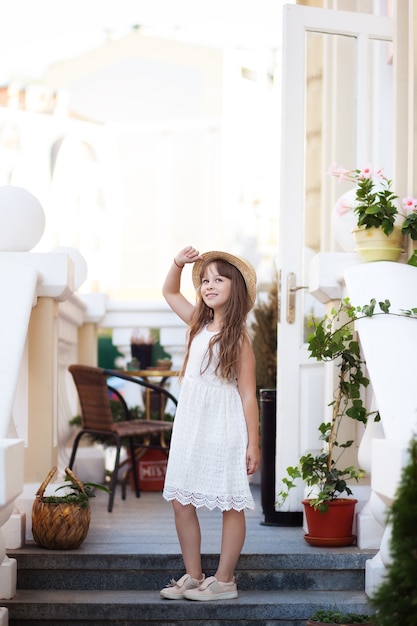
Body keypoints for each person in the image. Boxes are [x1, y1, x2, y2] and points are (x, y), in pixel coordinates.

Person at [160, 245, 261, 602]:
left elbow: (248, 394)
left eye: (219, 279)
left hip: (224, 424)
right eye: (204, 280)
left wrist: (253, 443)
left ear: (236, 288)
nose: (209, 285)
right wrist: (178, 263)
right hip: (191, 425)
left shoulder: (239, 338)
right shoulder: (197, 324)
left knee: (230, 502)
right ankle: (193, 574)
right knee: (180, 499)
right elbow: (170, 291)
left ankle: (224, 580)